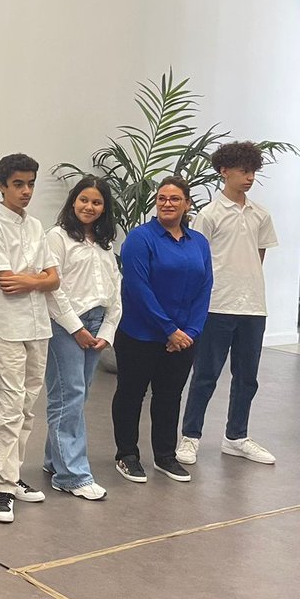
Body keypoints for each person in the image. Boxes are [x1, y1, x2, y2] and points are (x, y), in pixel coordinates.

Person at [179, 141, 278, 465]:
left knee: (247, 377)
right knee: (205, 375)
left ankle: (236, 437)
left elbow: (257, 257)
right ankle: (190, 437)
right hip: (216, 307)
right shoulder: (208, 215)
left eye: (252, 171)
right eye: (243, 171)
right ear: (224, 171)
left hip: (253, 308)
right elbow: (198, 262)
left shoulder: (260, 214)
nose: (249, 177)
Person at [112, 176, 212, 484]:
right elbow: (137, 288)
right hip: (140, 335)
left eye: (174, 199)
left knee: (170, 396)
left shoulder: (199, 243)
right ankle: (127, 455)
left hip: (183, 339)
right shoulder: (141, 239)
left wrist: (191, 331)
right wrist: (169, 329)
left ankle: (165, 456)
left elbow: (205, 286)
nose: (167, 203)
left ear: (187, 204)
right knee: (131, 394)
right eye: (162, 198)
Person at [0, 153, 60, 524]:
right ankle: (5, 488)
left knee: (26, 407)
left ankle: (3, 474)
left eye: (30, 184)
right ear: (1, 186)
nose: (25, 191)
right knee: (9, 407)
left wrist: (36, 279)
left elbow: (54, 278)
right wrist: (36, 279)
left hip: (38, 326)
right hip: (7, 327)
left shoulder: (36, 226)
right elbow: (7, 283)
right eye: (18, 184)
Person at [42, 176, 121, 500]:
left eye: (97, 202)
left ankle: (54, 459)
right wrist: (76, 328)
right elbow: (53, 289)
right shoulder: (57, 237)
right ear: (73, 202)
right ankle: (72, 475)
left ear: (105, 208)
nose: (89, 207)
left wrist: (107, 331)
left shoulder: (105, 244)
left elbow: (115, 289)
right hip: (66, 326)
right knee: (69, 395)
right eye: (84, 200)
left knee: (77, 395)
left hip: (97, 324)